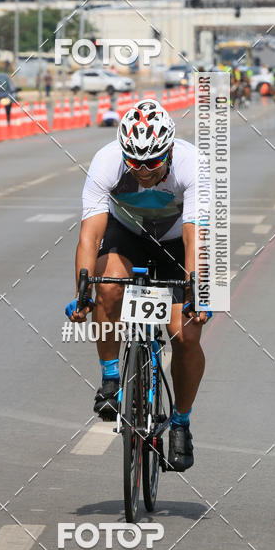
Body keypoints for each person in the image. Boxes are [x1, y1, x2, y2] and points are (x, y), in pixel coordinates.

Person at [66, 100, 210, 472]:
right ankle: (111, 377)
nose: (143, 170)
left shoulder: (192, 165)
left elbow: (197, 241)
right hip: (128, 234)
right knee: (108, 287)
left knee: (186, 335)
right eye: (134, 162)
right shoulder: (106, 161)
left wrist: (198, 293)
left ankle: (181, 422)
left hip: (180, 243)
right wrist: (82, 292)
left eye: (153, 162)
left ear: (170, 149)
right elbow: (89, 234)